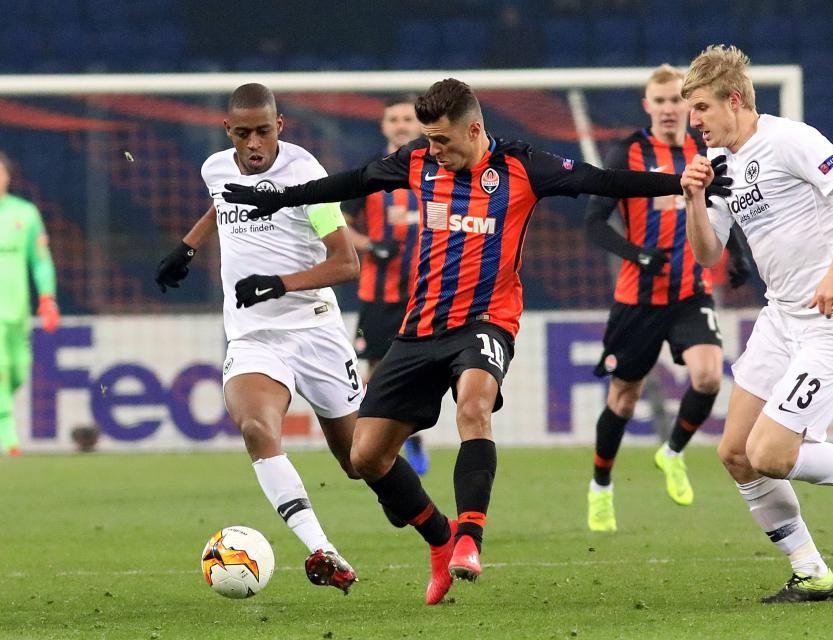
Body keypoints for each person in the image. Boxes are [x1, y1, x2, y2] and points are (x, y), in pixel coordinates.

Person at [222, 77, 732, 605]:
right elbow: (351, 182)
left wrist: (681, 184)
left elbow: (602, 181)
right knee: (365, 458)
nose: (433, 150)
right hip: (421, 327)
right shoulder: (418, 161)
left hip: (488, 321)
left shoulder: (521, 167)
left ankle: (470, 538)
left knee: (474, 405)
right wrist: (280, 198)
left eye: (442, 140)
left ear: (474, 129)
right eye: (428, 140)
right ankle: (442, 540)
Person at [680, 45, 833, 604]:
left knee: (771, 455)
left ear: (734, 100)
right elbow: (708, 255)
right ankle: (811, 570)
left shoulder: (789, 139)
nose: (695, 122)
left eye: (703, 109)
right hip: (780, 319)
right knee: (735, 453)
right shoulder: (720, 167)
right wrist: (693, 198)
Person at [154, 83, 361, 594]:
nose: (253, 143)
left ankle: (432, 524)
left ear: (280, 127)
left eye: (262, 132)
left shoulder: (307, 175)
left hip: (315, 329)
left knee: (360, 461)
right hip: (253, 337)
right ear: (227, 131)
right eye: (242, 133)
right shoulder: (215, 168)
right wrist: (187, 247)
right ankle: (322, 549)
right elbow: (221, 204)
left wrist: (281, 283)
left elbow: (346, 261)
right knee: (256, 428)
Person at [583, 64, 749, 532]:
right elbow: (594, 223)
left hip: (690, 291)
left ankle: (672, 451)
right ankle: (601, 486)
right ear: (647, 106)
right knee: (622, 401)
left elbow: (722, 207)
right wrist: (636, 254)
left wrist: (735, 257)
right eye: (660, 101)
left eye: (678, 100)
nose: (670, 109)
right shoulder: (628, 151)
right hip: (637, 299)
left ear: (688, 102)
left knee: (709, 376)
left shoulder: (706, 149)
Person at [345, 94, 429, 476]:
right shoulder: (370, 173)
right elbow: (338, 223)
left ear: (421, 125)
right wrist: (369, 245)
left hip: (425, 293)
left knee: (421, 372)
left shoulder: (439, 169)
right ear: (384, 126)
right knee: (377, 372)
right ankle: (380, 441)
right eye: (393, 119)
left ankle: (409, 434)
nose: (400, 125)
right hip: (378, 294)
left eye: (407, 119)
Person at [0, 151, 60, 457]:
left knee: (19, 370)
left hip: (17, 308)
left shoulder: (25, 214)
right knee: (2, 367)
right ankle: (8, 439)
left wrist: (47, 298)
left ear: (8, 176)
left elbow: (40, 261)